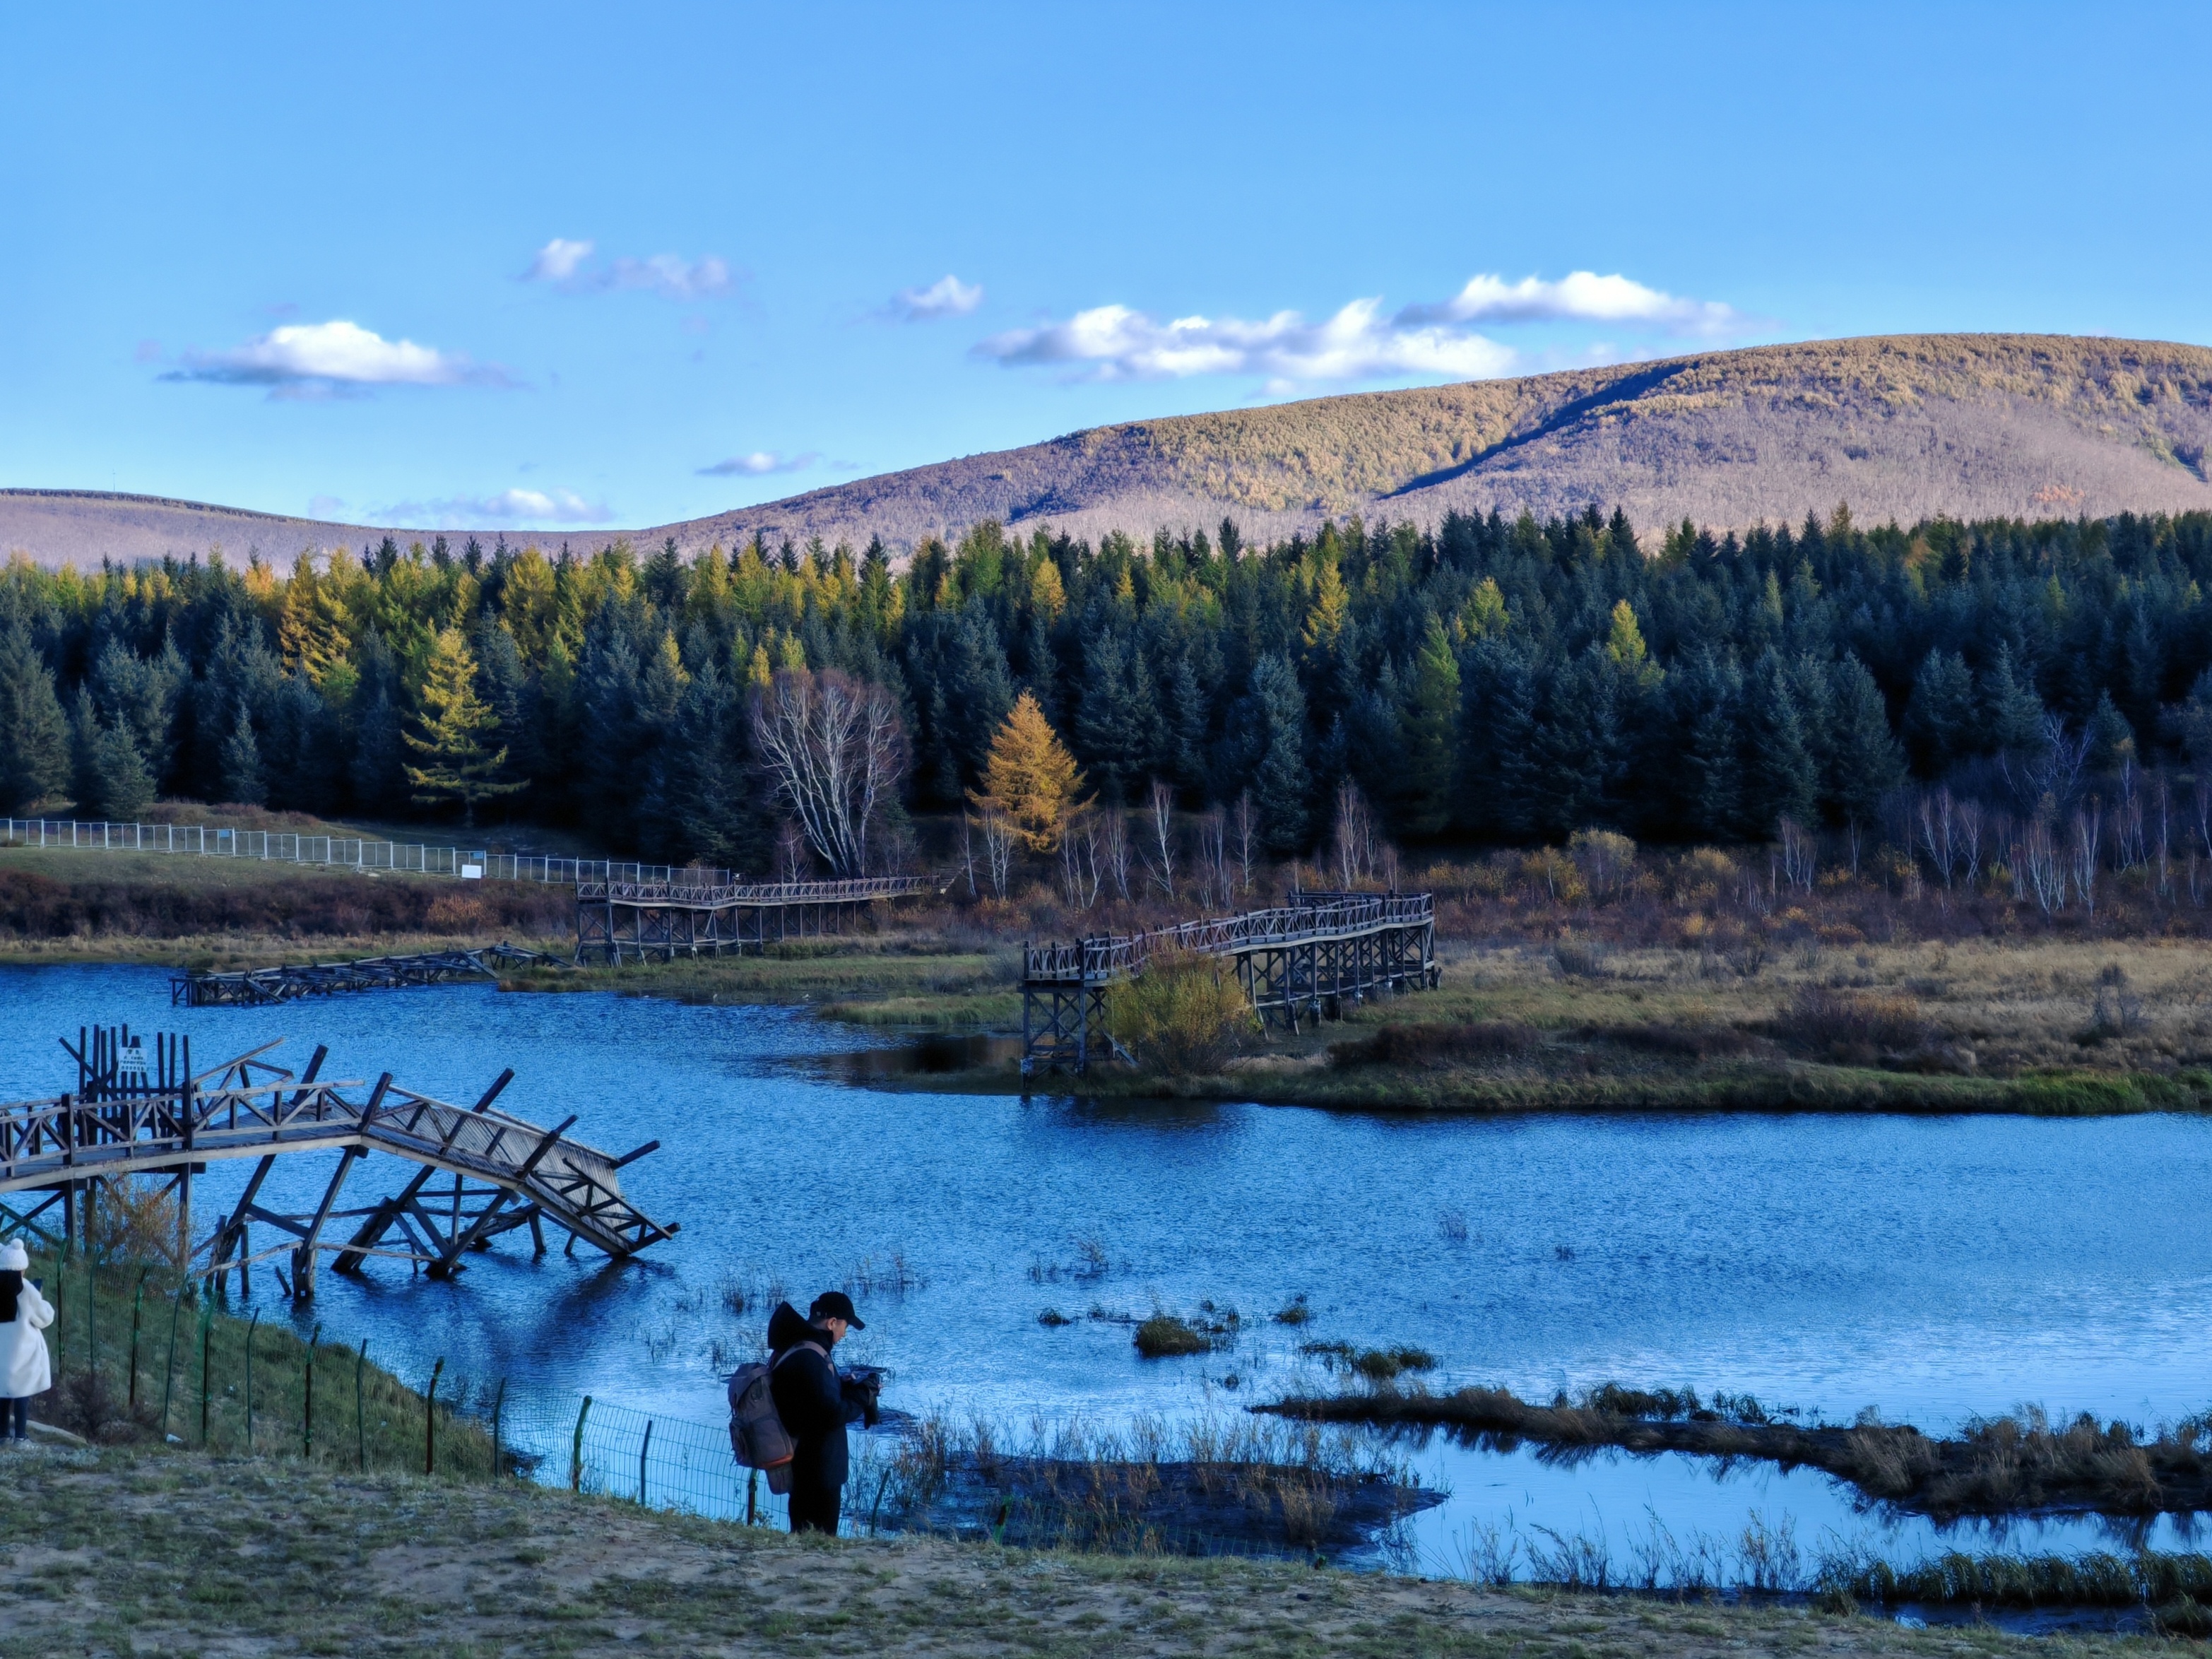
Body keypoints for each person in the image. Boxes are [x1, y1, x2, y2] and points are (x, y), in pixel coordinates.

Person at [765, 1291, 876, 1535]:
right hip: (818, 1474)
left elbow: (812, 1402)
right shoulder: (811, 1357)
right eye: (845, 1326)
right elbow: (831, 1414)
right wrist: (862, 1396)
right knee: (821, 1543)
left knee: (803, 1539)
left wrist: (840, 1386)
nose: (844, 1334)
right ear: (832, 1323)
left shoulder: (799, 1347)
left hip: (804, 1468)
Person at [0, 1239, 54, 1444]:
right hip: (23, 1353)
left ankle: (3, 1435)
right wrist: (41, 1298)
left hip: (2, 1355)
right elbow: (44, 1318)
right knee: (22, 1395)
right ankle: (21, 1438)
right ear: (21, 1268)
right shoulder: (27, 1290)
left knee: (3, 1393)